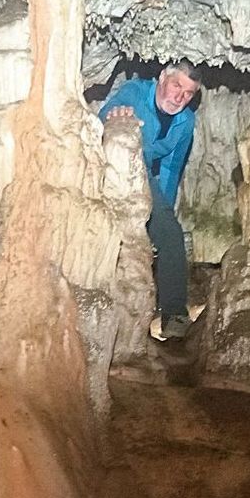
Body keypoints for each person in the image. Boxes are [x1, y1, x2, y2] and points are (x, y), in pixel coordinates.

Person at [98, 60, 202, 340]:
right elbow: (111, 109)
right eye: (177, 86)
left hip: (142, 176)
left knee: (171, 234)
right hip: (110, 168)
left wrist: (161, 218)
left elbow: (170, 168)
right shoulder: (136, 92)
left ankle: (174, 314)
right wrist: (114, 114)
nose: (180, 97)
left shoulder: (185, 121)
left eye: (188, 93)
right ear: (162, 77)